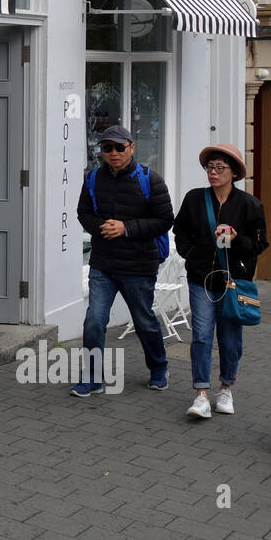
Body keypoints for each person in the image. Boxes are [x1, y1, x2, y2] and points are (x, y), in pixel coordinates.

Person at [72, 125, 174, 396]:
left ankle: (159, 368)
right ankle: (93, 377)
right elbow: (83, 212)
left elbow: (165, 220)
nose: (113, 153)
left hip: (138, 266)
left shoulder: (150, 180)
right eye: (107, 148)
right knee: (94, 320)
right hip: (103, 264)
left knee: (144, 321)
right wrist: (101, 227)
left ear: (131, 147)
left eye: (119, 147)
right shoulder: (93, 178)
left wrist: (125, 228)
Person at [172, 144, 268, 419]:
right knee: (201, 336)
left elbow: (260, 244)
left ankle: (226, 387)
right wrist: (191, 254)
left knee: (229, 340)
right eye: (209, 168)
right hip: (201, 279)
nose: (213, 173)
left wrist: (237, 239)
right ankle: (201, 393)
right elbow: (180, 231)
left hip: (233, 283)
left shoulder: (250, 205)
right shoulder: (194, 199)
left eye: (219, 168)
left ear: (234, 172)